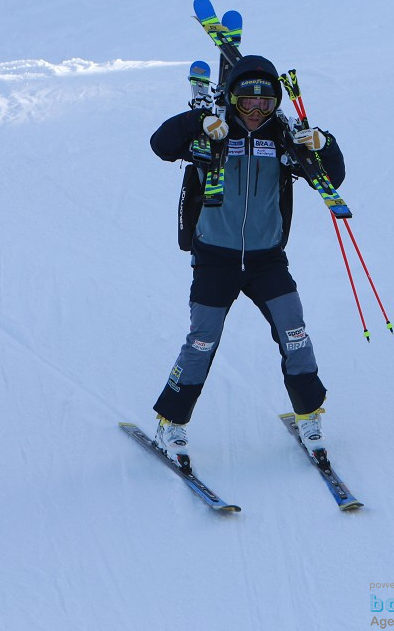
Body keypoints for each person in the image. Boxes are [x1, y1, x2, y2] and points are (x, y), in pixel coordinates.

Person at [148, 54, 344, 475]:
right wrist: (197, 123)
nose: (256, 112)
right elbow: (160, 145)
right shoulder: (213, 132)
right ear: (231, 99)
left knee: (295, 333)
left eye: (266, 104)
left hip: (266, 260)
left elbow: (332, 179)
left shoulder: (283, 138)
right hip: (215, 259)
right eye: (246, 103)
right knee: (201, 341)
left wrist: (323, 143)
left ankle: (309, 417)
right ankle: (171, 422)